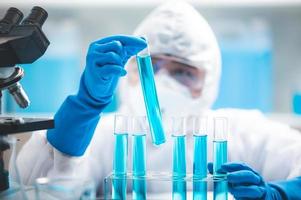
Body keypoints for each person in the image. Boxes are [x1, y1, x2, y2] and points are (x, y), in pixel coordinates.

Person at [13, 1, 301, 199]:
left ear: (209, 80)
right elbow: (39, 186)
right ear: (130, 72)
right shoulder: (105, 135)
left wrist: (278, 194)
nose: (163, 82)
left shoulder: (243, 132)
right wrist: (84, 106)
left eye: (183, 72)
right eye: (152, 68)